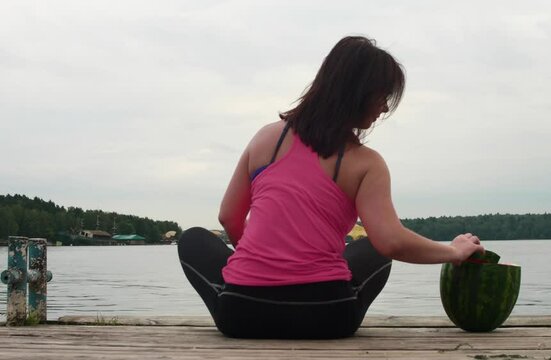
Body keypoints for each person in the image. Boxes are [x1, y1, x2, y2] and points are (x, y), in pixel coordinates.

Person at [178, 35, 484, 339]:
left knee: (193, 239)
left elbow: (228, 217)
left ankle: (244, 289)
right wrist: (454, 252)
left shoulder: (265, 139)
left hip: (241, 314)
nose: (384, 108)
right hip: (328, 315)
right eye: (382, 97)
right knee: (373, 248)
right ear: (358, 93)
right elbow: (390, 242)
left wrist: (263, 265)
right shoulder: (367, 164)